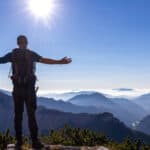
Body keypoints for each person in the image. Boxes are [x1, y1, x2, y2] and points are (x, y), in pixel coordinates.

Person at [0, 35, 72, 149]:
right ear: (27, 43)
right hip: (29, 90)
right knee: (31, 116)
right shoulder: (31, 54)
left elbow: (0, 60)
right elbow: (45, 60)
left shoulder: (12, 55)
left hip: (17, 90)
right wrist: (60, 62)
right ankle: (35, 142)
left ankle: (19, 142)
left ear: (17, 43)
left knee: (18, 116)